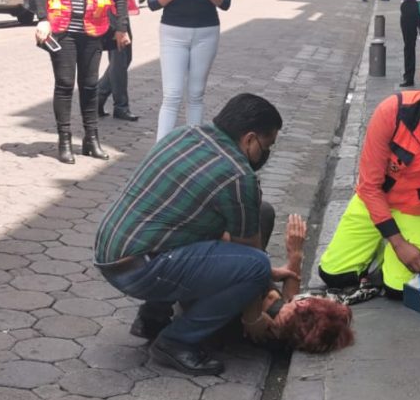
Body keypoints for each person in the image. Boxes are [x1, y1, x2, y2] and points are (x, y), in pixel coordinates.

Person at [94, 94, 289, 375]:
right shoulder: (238, 175)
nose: (265, 155)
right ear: (249, 139)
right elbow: (250, 255)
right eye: (266, 145)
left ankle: (153, 316)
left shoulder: (186, 134)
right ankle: (176, 341)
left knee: (258, 214)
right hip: (139, 268)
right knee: (255, 266)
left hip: (112, 252)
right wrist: (254, 315)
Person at [317, 91, 420, 297]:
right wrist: (399, 244)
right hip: (376, 200)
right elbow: (370, 186)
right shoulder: (393, 113)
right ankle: (383, 243)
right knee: (334, 276)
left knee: (400, 289)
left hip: (419, 209)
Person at [31, 0, 130, 165]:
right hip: (62, 29)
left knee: (90, 85)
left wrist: (121, 27)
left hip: (94, 30)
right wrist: (43, 19)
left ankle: (91, 140)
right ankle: (64, 142)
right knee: (65, 84)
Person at [148, 0, 232, 141]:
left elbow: (226, 2)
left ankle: (193, 145)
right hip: (173, 33)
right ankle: (161, 150)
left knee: (196, 95)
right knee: (172, 95)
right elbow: (152, 2)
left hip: (206, 33)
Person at [243, 214, 356, 353]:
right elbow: (290, 297)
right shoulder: (282, 323)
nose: (314, 295)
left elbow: (247, 269)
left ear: (303, 304)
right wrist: (295, 255)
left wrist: (267, 270)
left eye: (317, 298)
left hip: (231, 266)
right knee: (262, 216)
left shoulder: (258, 318)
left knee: (261, 214)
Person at [97, 0, 141, 123]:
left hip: (117, 9)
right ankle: (120, 106)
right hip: (112, 9)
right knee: (120, 57)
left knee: (123, 57)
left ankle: (98, 97)